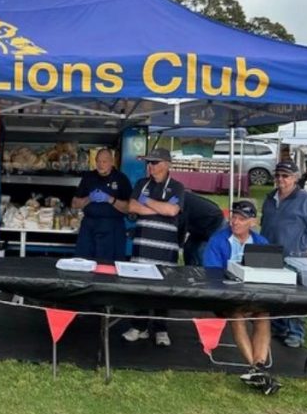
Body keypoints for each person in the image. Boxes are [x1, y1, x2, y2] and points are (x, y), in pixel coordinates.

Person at [203, 200, 281, 395]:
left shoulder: (261, 243)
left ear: (252, 223)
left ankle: (258, 368)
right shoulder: (218, 240)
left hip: (254, 297)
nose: (234, 222)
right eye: (233, 217)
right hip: (227, 299)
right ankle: (256, 368)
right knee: (237, 316)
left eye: (241, 219)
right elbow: (211, 275)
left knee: (263, 315)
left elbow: (269, 275)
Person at [122, 147, 185, 347]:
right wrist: (159, 209)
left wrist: (147, 201)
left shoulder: (177, 186)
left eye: (155, 163)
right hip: (142, 245)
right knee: (140, 287)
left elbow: (172, 210)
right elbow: (131, 207)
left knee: (163, 288)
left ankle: (161, 329)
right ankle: (138, 326)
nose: (151, 166)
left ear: (167, 164)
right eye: (149, 163)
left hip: (165, 247)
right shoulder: (142, 183)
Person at [261, 159, 307, 348]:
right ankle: (278, 326)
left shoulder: (305, 199)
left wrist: (300, 246)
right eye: (278, 175)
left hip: (294, 257)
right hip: (270, 254)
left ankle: (295, 332)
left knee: (293, 297)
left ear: (295, 179)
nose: (280, 179)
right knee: (273, 293)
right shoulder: (270, 197)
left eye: (285, 176)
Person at [71, 148, 132, 261]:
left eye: (104, 162)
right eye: (98, 161)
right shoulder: (88, 177)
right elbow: (75, 204)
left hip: (112, 228)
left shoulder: (121, 179)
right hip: (89, 227)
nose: (100, 164)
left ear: (111, 162)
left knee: (107, 267)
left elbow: (129, 208)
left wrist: (110, 199)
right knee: (83, 262)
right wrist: (89, 198)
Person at [179, 191, 225, 266]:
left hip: (215, 223)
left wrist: (177, 246)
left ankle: (204, 275)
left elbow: (181, 225)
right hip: (199, 226)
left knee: (201, 253)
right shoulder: (175, 197)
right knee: (189, 249)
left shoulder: (176, 201)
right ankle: (190, 272)